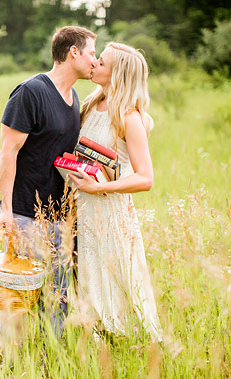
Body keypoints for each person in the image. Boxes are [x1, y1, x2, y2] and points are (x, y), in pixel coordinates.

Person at [0, 26, 97, 339]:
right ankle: (10, 363)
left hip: (60, 216)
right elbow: (7, 153)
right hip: (27, 214)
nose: (95, 59)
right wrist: (7, 211)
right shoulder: (31, 92)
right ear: (73, 52)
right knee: (22, 295)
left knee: (59, 297)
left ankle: (50, 357)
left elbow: (60, 154)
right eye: (92, 52)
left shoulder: (74, 96)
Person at [68, 42, 163, 341]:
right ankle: (96, 339)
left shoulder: (129, 117)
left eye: (102, 62)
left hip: (111, 211)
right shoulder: (89, 104)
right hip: (82, 208)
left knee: (119, 277)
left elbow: (145, 178)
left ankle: (131, 342)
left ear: (118, 74)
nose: (94, 63)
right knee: (89, 276)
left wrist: (99, 187)